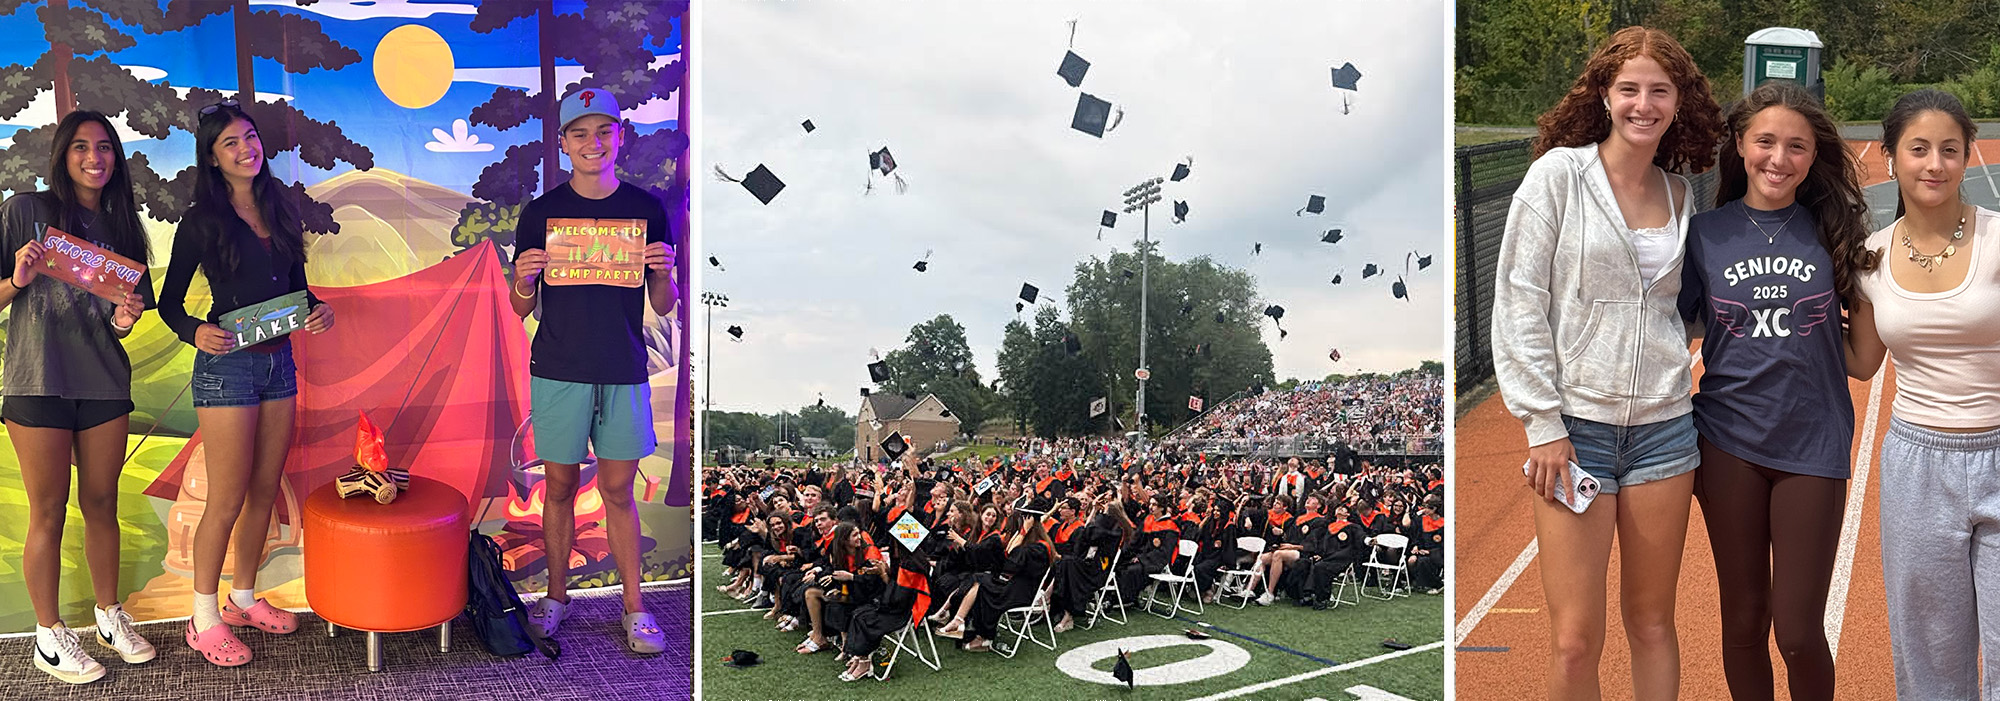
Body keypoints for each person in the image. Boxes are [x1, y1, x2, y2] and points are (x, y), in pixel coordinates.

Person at [1490, 26, 1723, 700]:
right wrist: (1544, 423)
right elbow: (1519, 302)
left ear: (1679, 101)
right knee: (1574, 639)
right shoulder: (1558, 176)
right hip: (1576, 433)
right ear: (1604, 93)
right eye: (1629, 88)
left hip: (1666, 432)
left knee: (1652, 622)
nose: (1643, 104)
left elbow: (1678, 310)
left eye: (1659, 90)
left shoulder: (1682, 195)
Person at [1678, 80, 1867, 701]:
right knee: (1743, 620)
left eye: (1797, 146)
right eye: (1765, 141)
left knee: (1797, 631)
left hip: (1812, 442)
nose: (1778, 159)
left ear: (1815, 157)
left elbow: (1867, 348)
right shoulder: (1703, 234)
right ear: (1740, 145)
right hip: (1727, 441)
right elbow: (1661, 324)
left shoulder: (1833, 229)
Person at [160, 100, 337, 667]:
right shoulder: (202, 219)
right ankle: (203, 617)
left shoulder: (278, 207)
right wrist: (195, 331)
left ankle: (241, 597)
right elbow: (168, 302)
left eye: (250, 137)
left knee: (265, 489)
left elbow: (299, 289)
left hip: (278, 362)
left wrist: (320, 311)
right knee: (227, 497)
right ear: (212, 159)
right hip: (227, 368)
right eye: (231, 143)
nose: (246, 149)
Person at [509, 87, 677, 654]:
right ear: (563, 144)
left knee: (617, 490)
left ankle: (635, 607)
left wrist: (665, 271)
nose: (593, 142)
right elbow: (520, 306)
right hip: (558, 367)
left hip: (624, 368)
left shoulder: (648, 208)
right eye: (580, 133)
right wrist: (525, 279)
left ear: (619, 138)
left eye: (604, 131)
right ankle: (554, 599)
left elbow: (665, 304)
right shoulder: (540, 213)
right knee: (557, 486)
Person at [1846, 88, 2000, 699]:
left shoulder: (1997, 237)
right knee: (1930, 652)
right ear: (1890, 157)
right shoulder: (1870, 258)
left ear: (1967, 157)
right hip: (1917, 466)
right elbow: (1861, 362)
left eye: (1950, 150)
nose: (1934, 164)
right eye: (1918, 149)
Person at [0, 110, 156, 684]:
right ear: (63, 156)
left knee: (101, 503)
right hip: (36, 380)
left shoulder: (125, 230)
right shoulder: (26, 211)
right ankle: (47, 636)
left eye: (106, 147)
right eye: (83, 147)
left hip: (104, 384)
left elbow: (122, 320)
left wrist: (124, 318)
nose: (96, 158)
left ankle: (109, 615)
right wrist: (17, 279)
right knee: (46, 511)